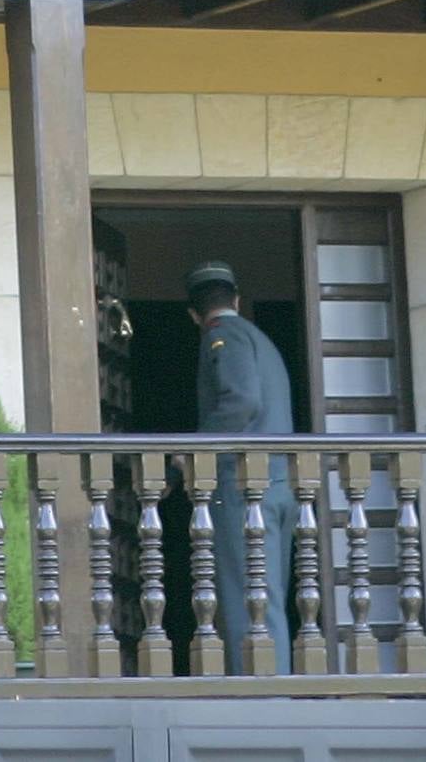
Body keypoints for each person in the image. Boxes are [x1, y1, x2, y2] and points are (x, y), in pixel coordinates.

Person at [186, 260, 298, 675]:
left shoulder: (224, 336)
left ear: (195, 315)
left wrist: (194, 451)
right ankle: (273, 697)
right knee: (267, 599)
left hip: (244, 487)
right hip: (277, 484)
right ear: (237, 299)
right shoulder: (259, 337)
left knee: (248, 601)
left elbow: (241, 401)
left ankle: (264, 704)